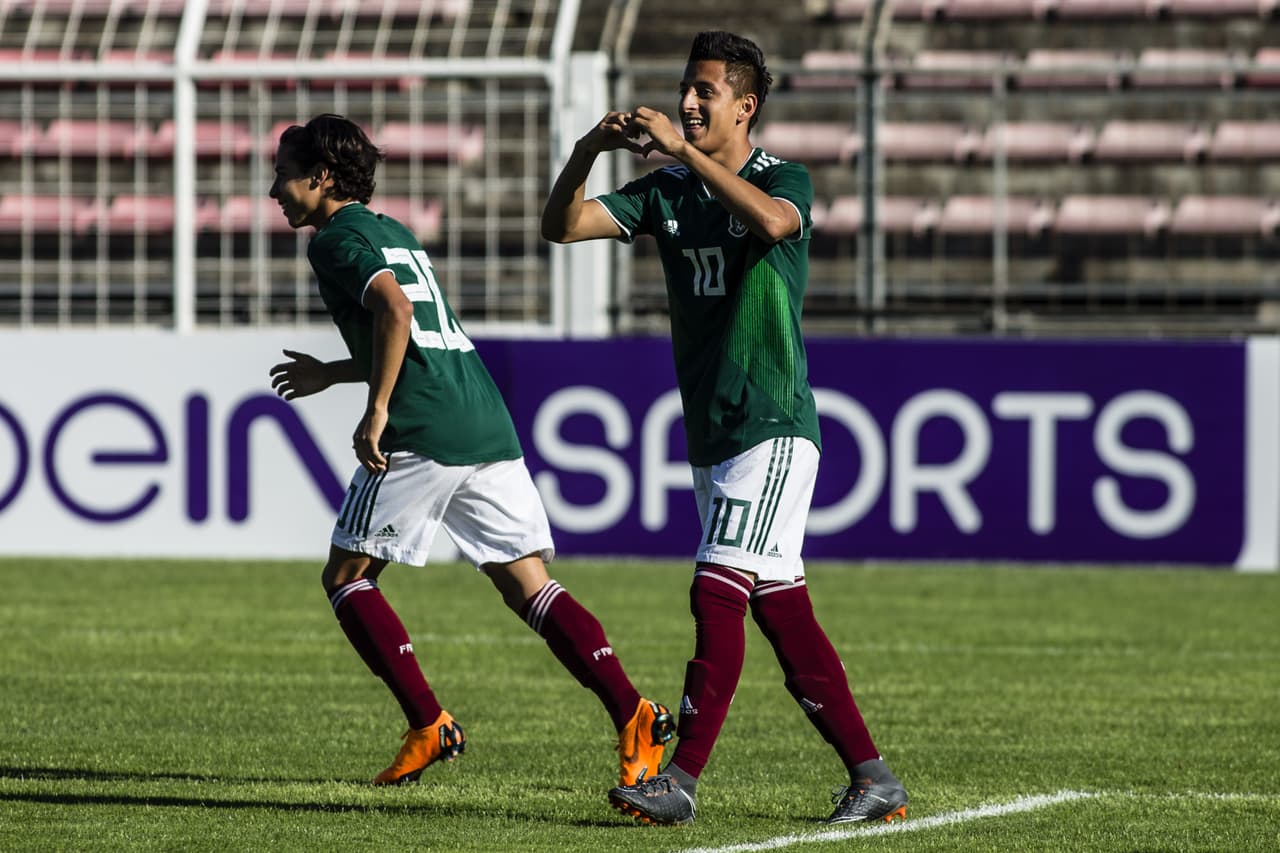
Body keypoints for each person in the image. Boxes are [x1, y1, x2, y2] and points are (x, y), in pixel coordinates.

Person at [541, 32, 908, 826]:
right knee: (779, 604)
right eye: (685, 87)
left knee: (716, 586)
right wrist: (586, 151)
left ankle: (681, 778)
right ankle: (873, 776)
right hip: (713, 431)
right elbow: (561, 226)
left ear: (746, 105)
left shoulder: (784, 177)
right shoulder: (666, 191)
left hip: (771, 419)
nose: (688, 102)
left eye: (706, 91)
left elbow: (776, 224)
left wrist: (686, 157)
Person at [266, 113, 672, 791]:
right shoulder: (391, 230)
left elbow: (395, 314)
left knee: (345, 577)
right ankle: (633, 713)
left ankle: (429, 723)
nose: (274, 188)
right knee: (530, 586)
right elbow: (411, 328)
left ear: (321, 177)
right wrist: (333, 372)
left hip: (425, 429)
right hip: (482, 418)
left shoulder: (335, 240)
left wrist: (376, 410)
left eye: (282, 173)